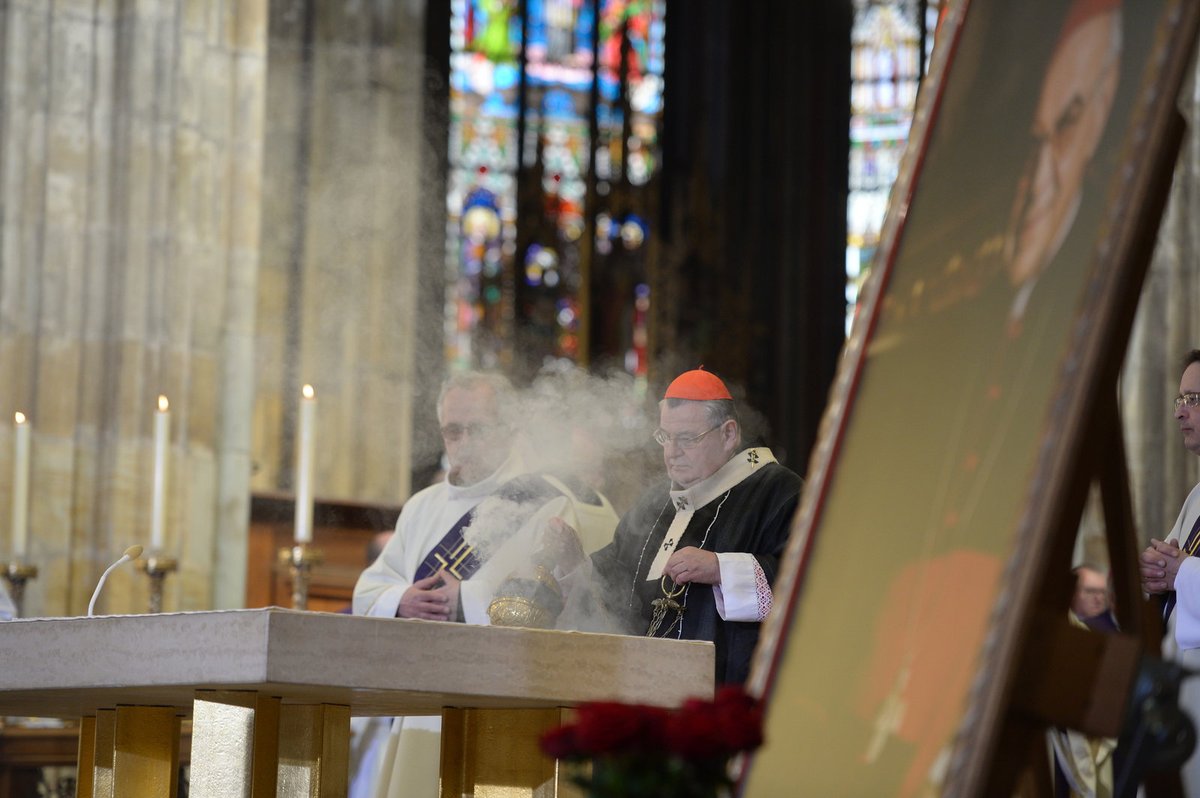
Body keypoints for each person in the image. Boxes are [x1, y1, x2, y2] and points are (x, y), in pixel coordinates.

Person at [352, 369, 618, 798]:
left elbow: (551, 601)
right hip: (422, 704)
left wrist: (465, 600)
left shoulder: (545, 501)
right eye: (453, 430)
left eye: (478, 428)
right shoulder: (422, 506)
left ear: (509, 428)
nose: (464, 440)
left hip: (502, 699)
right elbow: (369, 590)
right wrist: (402, 599)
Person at [558, 368, 802, 685]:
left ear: (729, 434)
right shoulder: (656, 499)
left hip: (722, 696)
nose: (672, 452)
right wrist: (575, 563)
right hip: (639, 684)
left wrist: (722, 569)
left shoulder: (779, 492)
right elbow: (615, 576)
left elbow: (806, 584)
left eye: (687, 439)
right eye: (665, 437)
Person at [1140, 349, 1200, 794]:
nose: (1182, 413)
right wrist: (1157, 570)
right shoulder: (1197, 494)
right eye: (1179, 400)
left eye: (1193, 399)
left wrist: (1180, 571)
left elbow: (1185, 571)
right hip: (1178, 692)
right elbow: (1170, 572)